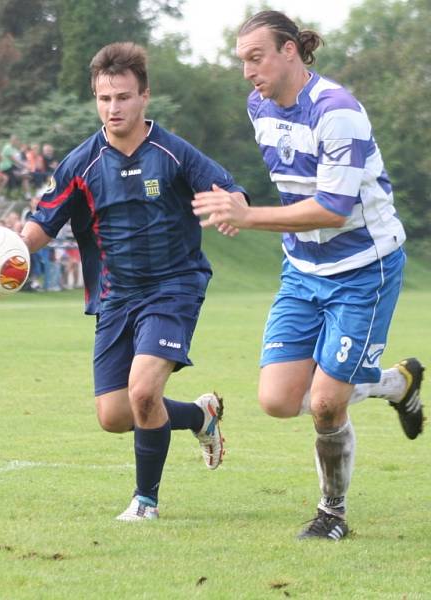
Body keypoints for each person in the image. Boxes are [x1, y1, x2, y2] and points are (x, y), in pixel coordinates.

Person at [191, 11, 424, 541]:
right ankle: (397, 383)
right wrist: (243, 207)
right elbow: (297, 187)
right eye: (242, 61)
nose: (248, 72)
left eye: (257, 57)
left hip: (365, 268)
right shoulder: (259, 105)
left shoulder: (337, 111)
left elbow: (333, 209)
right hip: (303, 270)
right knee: (277, 401)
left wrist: (249, 217)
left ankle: (332, 514)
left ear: (290, 51)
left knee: (324, 403)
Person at [21, 42, 241, 521]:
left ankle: (146, 502)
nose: (113, 108)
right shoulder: (82, 162)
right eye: (104, 99)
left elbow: (227, 187)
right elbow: (44, 223)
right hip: (116, 295)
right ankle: (200, 415)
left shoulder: (172, 152)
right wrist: (9, 252)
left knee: (144, 393)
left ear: (144, 96)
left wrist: (230, 207)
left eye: (122, 97)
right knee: (116, 415)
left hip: (174, 286)